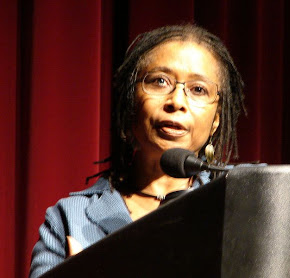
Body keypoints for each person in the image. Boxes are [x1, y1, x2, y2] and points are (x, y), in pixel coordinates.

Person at [29, 24, 244, 277]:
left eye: (198, 89)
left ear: (216, 119)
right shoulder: (69, 219)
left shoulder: (246, 197)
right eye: (160, 81)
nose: (176, 101)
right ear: (132, 101)